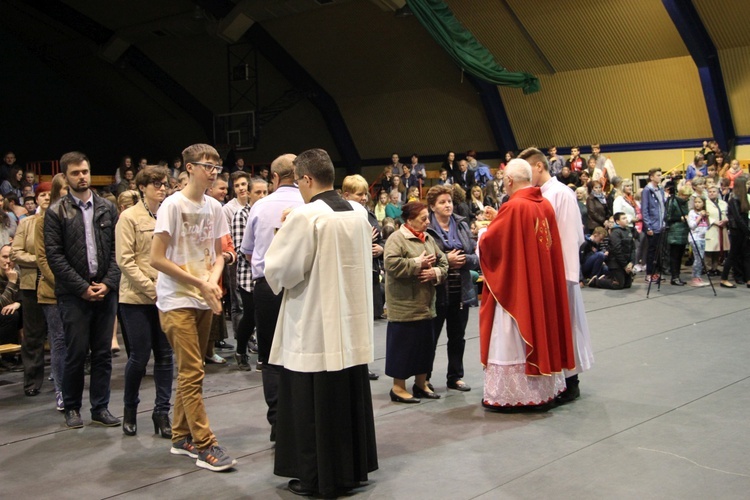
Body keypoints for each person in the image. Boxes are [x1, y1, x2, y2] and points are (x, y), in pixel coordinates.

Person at [264, 149, 378, 497]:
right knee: (346, 399)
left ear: (307, 179)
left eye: (298, 182)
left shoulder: (307, 215)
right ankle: (351, 471)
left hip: (315, 324)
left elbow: (280, 269)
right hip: (351, 323)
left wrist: (283, 232)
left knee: (312, 405)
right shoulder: (358, 213)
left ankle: (316, 477)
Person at [149, 143, 236, 472]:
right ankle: (205, 443)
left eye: (216, 166)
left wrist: (212, 280)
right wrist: (200, 283)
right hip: (176, 298)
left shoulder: (215, 207)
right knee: (192, 371)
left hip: (201, 295)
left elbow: (218, 254)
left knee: (193, 368)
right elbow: (156, 258)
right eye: (206, 165)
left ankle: (180, 436)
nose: (213, 171)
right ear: (188, 168)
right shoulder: (172, 205)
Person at [479, 159, 575, 411]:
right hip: (540, 285)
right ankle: (543, 392)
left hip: (518, 289)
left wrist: (482, 233)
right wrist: (497, 218)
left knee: (509, 335)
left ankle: (513, 395)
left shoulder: (515, 207)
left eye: (503, 181)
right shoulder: (543, 204)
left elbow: (493, 246)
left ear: (509, 180)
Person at [45, 151, 121, 429]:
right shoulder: (55, 212)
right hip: (73, 295)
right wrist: (82, 288)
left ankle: (100, 407)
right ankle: (72, 407)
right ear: (66, 176)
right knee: (76, 353)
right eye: (76, 173)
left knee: (102, 353)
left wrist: (109, 283)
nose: (82, 177)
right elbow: (55, 257)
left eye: (85, 171)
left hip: (105, 289)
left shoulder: (107, 208)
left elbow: (118, 251)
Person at [239, 154, 304, 442]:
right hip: (303, 285)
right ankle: (302, 416)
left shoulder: (259, 206)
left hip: (267, 286)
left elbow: (249, 251)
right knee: (302, 351)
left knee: (270, 356)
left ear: (274, 179)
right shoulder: (310, 205)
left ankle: (278, 421)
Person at [522, 147, 594, 403]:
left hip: (560, 273)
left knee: (568, 326)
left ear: (538, 166)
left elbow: (571, 236)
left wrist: (566, 275)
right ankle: (553, 380)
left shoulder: (562, 193)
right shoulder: (535, 195)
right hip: (542, 273)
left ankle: (571, 381)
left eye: (526, 169)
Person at [116, 166, 174, 438]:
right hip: (136, 298)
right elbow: (125, 261)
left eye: (163, 184)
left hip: (165, 295)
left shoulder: (168, 214)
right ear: (142, 187)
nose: (161, 188)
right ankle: (129, 410)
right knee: (139, 358)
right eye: (155, 184)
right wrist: (152, 289)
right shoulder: (129, 217)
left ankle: (162, 412)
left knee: (165, 356)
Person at [384, 201, 448, 403]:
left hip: (426, 306)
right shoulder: (396, 239)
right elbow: (391, 264)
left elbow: (443, 261)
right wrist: (416, 263)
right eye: (423, 219)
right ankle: (398, 388)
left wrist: (435, 272)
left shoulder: (428, 238)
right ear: (409, 220)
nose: (428, 222)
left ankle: (421, 384)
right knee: (402, 349)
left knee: (424, 348)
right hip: (404, 307)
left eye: (427, 218)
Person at [425, 185, 478, 392]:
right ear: (432, 206)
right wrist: (447, 259)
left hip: (461, 291)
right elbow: (425, 257)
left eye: (449, 201)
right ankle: (424, 379)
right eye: (442, 202)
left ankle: (455, 377)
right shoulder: (426, 227)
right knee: (431, 338)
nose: (447, 205)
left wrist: (463, 260)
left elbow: (475, 258)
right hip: (436, 291)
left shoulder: (462, 224)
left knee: (457, 337)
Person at [11, 182, 51, 397]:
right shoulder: (26, 223)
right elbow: (15, 253)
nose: (45, 198)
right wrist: (40, 260)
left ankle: (64, 377)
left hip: (56, 283)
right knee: (33, 335)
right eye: (42, 194)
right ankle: (32, 380)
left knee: (60, 333)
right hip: (31, 284)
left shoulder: (60, 220)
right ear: (36, 199)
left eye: (49, 194)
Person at [35, 174, 68, 411]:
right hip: (52, 292)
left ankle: (73, 389)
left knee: (76, 343)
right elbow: (43, 259)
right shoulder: (42, 221)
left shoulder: (77, 215)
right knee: (59, 341)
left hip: (77, 290)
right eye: (65, 188)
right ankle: (61, 390)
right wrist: (63, 283)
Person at [230, 177, 268, 371]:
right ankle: (240, 349)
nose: (262, 196)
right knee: (251, 316)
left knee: (265, 317)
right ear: (249, 194)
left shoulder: (269, 212)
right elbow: (241, 249)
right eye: (258, 193)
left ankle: (264, 357)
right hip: (248, 276)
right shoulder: (241, 215)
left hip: (268, 273)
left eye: (265, 192)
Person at [720, 174, 750, 288]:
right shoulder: (733, 200)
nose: (748, 186)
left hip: (743, 231)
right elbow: (738, 218)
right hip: (737, 231)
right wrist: (748, 231)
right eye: (746, 184)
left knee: (747, 255)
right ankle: (724, 278)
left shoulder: (743, 199)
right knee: (732, 255)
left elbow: (745, 218)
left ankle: (748, 279)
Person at [591, 213, 635, 290]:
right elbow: (617, 250)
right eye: (623, 218)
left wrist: (631, 263)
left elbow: (633, 248)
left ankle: (608, 277)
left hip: (626, 262)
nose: (626, 220)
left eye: (626, 218)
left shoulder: (628, 231)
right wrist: (625, 265)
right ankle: (596, 281)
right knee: (618, 285)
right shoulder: (615, 233)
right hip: (616, 263)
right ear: (617, 221)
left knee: (627, 284)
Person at [641, 168, 667, 283]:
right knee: (651, 251)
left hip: (661, 224)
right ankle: (649, 273)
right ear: (651, 177)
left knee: (659, 251)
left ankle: (656, 272)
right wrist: (648, 226)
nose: (660, 177)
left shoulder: (660, 189)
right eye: (658, 175)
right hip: (653, 225)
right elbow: (645, 210)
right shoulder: (647, 190)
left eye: (660, 175)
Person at [665, 185, 692, 286]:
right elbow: (668, 216)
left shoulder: (685, 203)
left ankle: (677, 275)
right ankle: (674, 277)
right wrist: (680, 218)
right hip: (675, 231)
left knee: (680, 256)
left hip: (684, 231)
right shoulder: (673, 201)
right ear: (681, 194)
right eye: (686, 195)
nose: (687, 197)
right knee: (675, 256)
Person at [704, 186, 729, 276]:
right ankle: (708, 268)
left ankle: (715, 267)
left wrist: (725, 220)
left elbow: (726, 214)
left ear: (718, 193)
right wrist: (714, 222)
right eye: (710, 191)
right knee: (709, 249)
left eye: (714, 191)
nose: (712, 193)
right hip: (711, 227)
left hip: (722, 227)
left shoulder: (723, 203)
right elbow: (705, 216)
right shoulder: (705, 203)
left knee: (718, 249)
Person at [687, 197, 710, 287]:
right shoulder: (692, 213)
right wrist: (700, 216)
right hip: (695, 238)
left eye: (699, 202)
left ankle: (698, 276)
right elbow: (692, 226)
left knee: (701, 258)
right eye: (696, 202)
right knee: (698, 258)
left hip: (702, 238)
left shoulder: (705, 213)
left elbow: (708, 226)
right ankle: (695, 278)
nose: (697, 204)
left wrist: (706, 217)